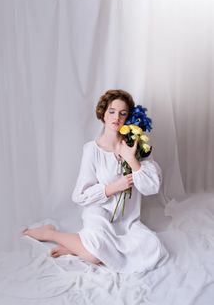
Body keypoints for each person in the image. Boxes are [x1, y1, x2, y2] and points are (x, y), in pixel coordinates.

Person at [23, 89, 168, 273]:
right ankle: (50, 232)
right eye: (112, 111)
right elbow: (79, 196)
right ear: (103, 114)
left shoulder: (137, 146)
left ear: (129, 118)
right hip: (99, 213)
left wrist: (131, 159)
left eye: (123, 113)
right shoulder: (92, 150)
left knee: (153, 248)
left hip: (127, 221)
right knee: (95, 256)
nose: (117, 117)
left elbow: (152, 187)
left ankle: (77, 248)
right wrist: (113, 187)